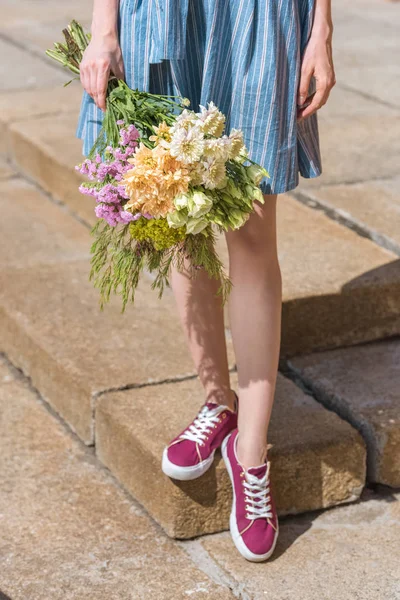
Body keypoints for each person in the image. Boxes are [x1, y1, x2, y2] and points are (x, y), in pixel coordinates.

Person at [78, 0, 335, 562]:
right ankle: (218, 403)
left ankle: (250, 454)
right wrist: (104, 29)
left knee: (251, 235)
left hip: (258, 20)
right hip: (163, 16)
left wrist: (321, 31)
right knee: (177, 212)